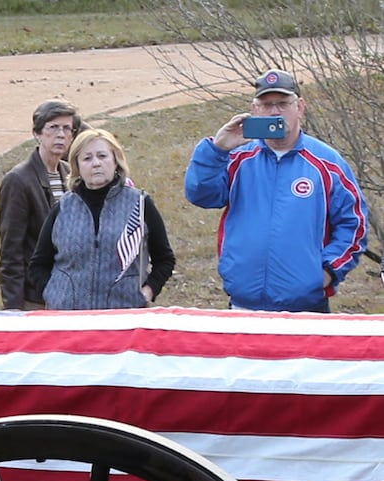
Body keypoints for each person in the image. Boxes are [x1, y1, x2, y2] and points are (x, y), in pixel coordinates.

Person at [185, 68, 369, 312]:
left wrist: (326, 272)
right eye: (266, 104)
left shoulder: (327, 163)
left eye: (283, 103)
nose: (274, 111)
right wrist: (216, 150)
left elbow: (353, 225)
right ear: (255, 110)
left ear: (300, 108)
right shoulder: (237, 159)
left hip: (306, 308)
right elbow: (201, 195)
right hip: (243, 305)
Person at [29, 128, 175, 310]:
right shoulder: (63, 208)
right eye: (87, 158)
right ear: (77, 167)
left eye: (102, 156)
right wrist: (53, 293)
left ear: (116, 161)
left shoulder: (140, 204)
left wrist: (146, 292)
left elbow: (165, 259)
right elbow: (38, 264)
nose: (96, 163)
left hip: (123, 318)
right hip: (70, 320)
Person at [0, 99, 80, 310]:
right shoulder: (18, 180)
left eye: (66, 129)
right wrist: (13, 309)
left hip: (70, 291)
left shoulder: (71, 174)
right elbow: (11, 250)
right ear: (37, 133)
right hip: (35, 296)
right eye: (53, 128)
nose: (60, 135)